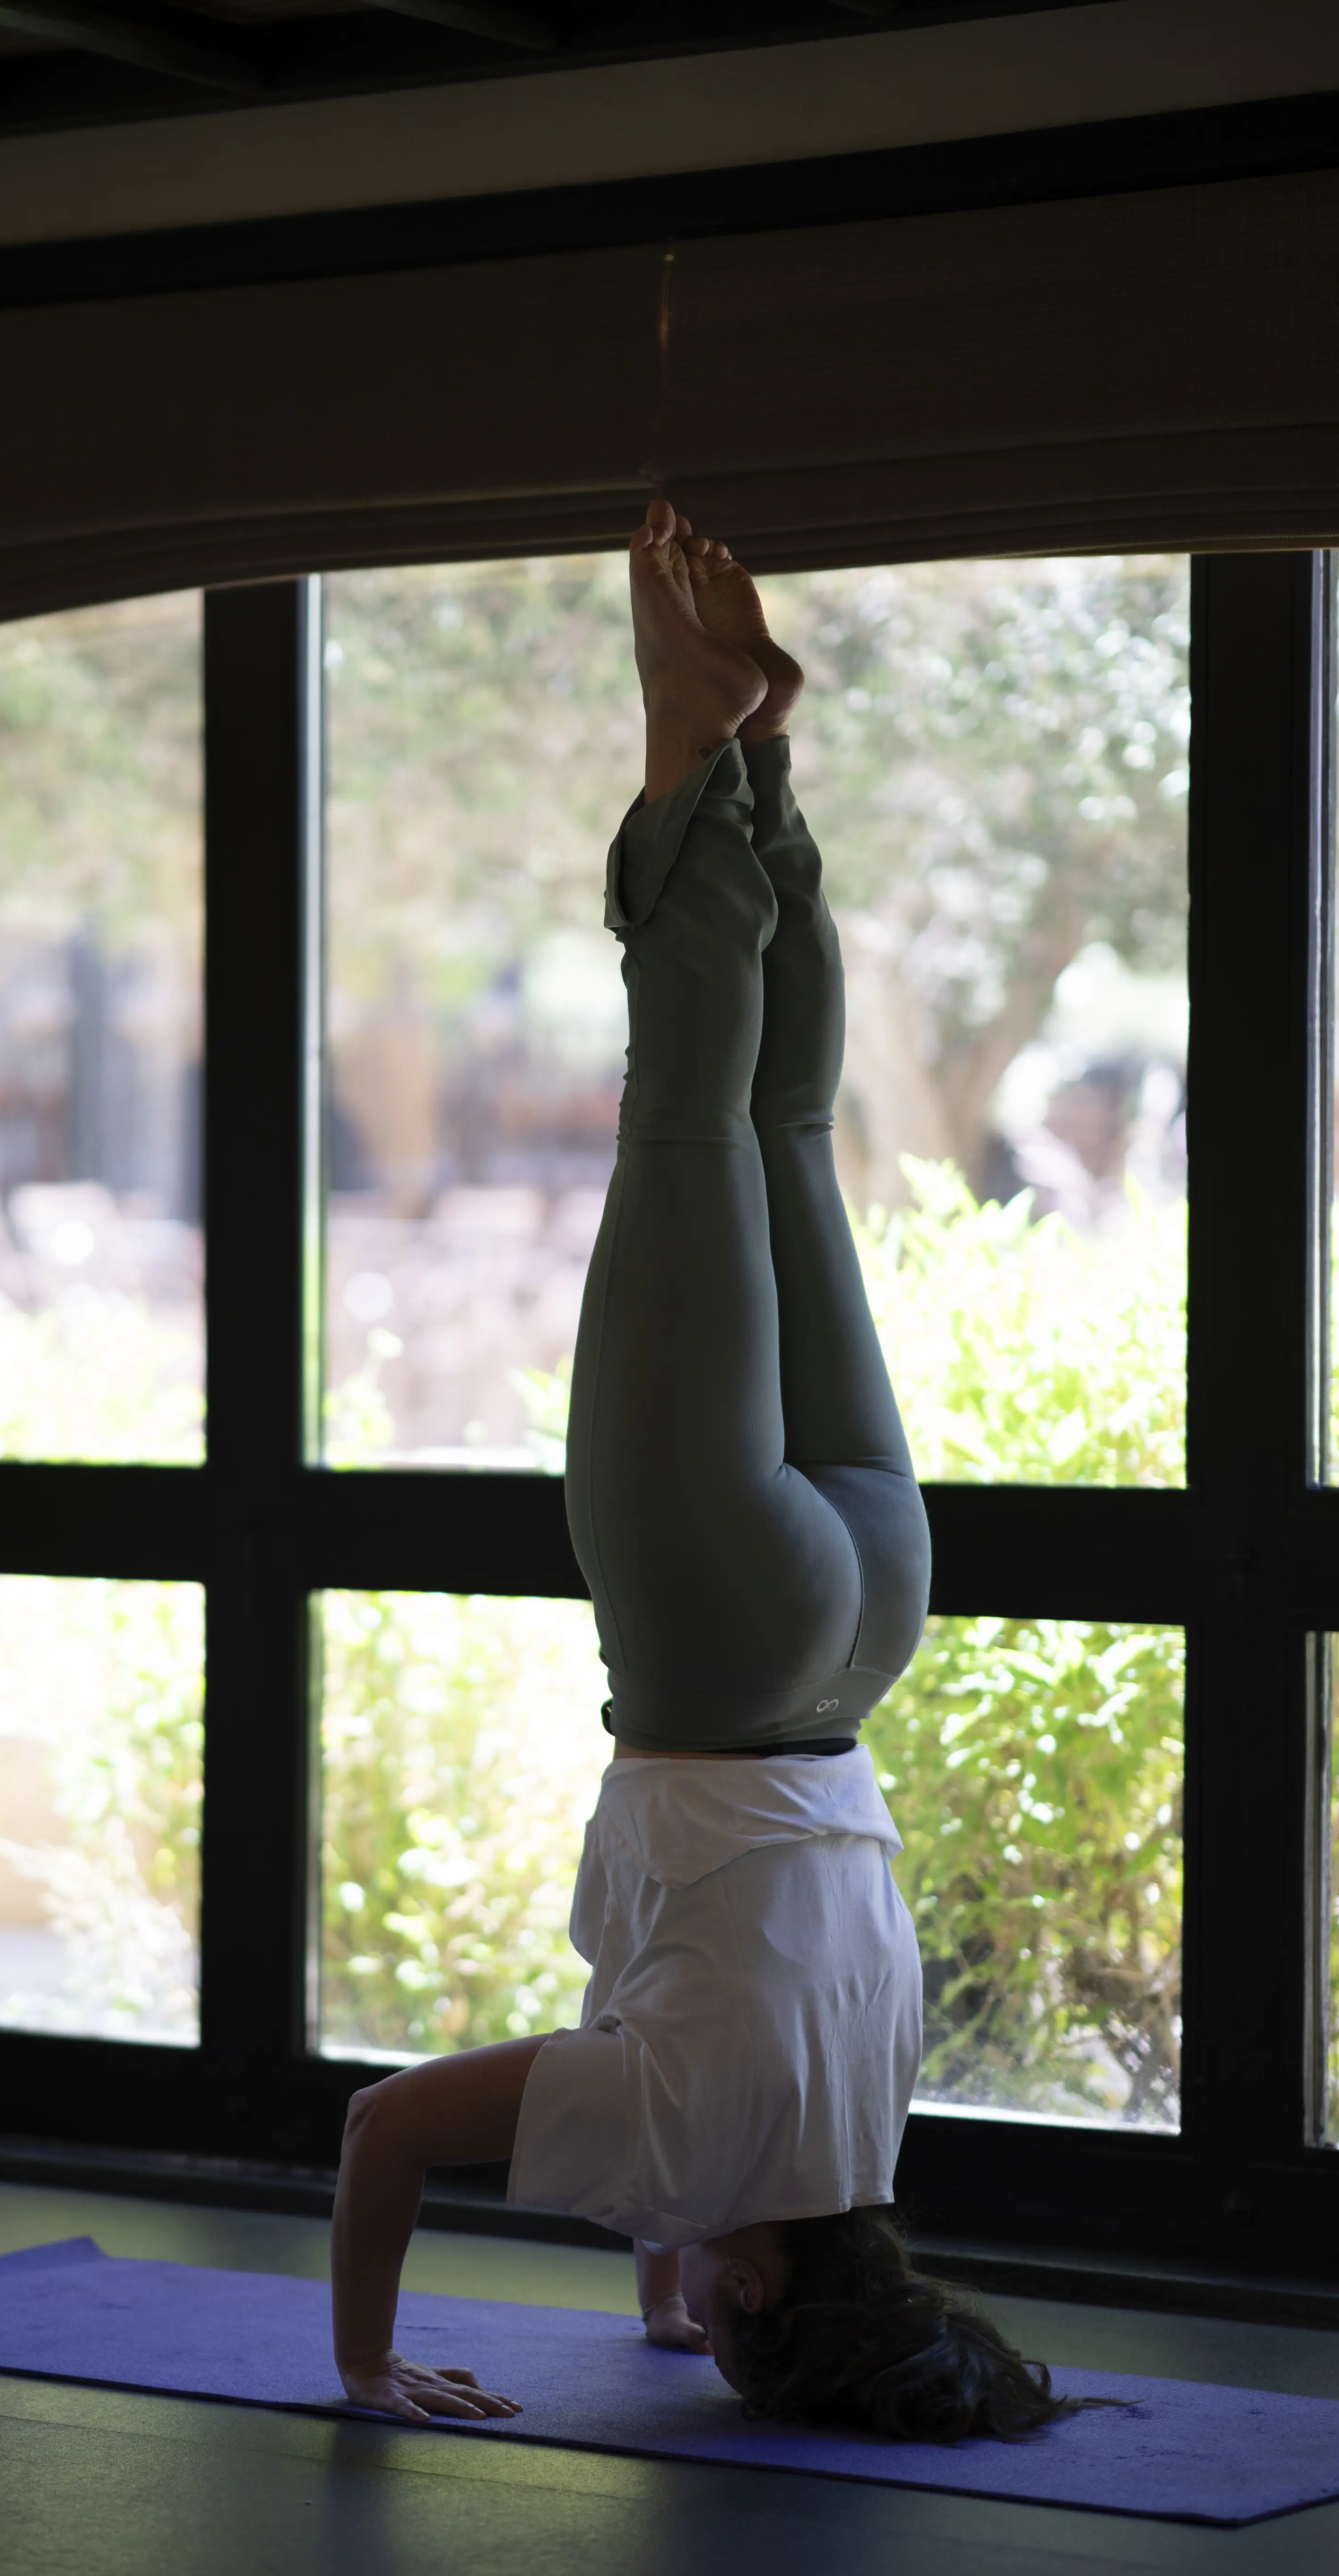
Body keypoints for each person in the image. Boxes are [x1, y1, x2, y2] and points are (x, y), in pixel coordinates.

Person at [330, 501, 1080, 2445]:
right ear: (752, 2285)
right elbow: (385, 2134)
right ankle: (685, 742)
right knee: (683, 1130)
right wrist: (362, 2365)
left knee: (783, 1130)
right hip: (719, 1640)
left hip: (862, 1636)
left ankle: (760, 768)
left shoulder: (850, 2135)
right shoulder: (685, 2138)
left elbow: (695, 2121)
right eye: (725, 2313)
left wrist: (684, 2287)